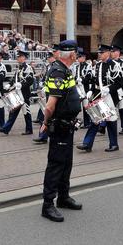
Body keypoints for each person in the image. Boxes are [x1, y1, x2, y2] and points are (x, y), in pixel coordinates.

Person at [40, 40, 82, 222]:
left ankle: (63, 197)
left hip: (68, 124)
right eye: (76, 53)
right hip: (60, 124)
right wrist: (46, 122)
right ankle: (48, 204)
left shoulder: (66, 70)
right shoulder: (58, 71)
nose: (78, 56)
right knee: (56, 164)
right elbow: (50, 106)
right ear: (71, 55)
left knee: (66, 163)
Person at [77, 44, 121, 152]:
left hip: (109, 96)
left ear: (107, 53)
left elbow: (120, 82)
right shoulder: (97, 65)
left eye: (101, 53)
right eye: (99, 53)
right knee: (95, 119)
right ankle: (87, 144)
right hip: (98, 94)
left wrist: (109, 89)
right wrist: (91, 90)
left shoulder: (114, 65)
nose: (99, 55)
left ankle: (114, 144)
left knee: (111, 120)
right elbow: (94, 80)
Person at [0, 50, 35, 135]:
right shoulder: (19, 67)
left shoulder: (28, 68)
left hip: (24, 93)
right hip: (17, 93)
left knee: (26, 112)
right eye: (17, 57)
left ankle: (29, 130)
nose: (17, 58)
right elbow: (14, 79)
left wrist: (21, 84)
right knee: (13, 111)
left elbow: (30, 80)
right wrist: (9, 84)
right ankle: (6, 129)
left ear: (23, 58)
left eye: (19, 57)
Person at [72, 48, 93, 129]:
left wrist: (81, 80)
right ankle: (76, 121)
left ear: (84, 58)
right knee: (76, 105)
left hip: (85, 88)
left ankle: (88, 122)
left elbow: (89, 76)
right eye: (78, 57)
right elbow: (74, 76)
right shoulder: (76, 66)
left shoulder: (88, 66)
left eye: (80, 57)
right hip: (77, 88)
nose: (78, 59)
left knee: (86, 106)